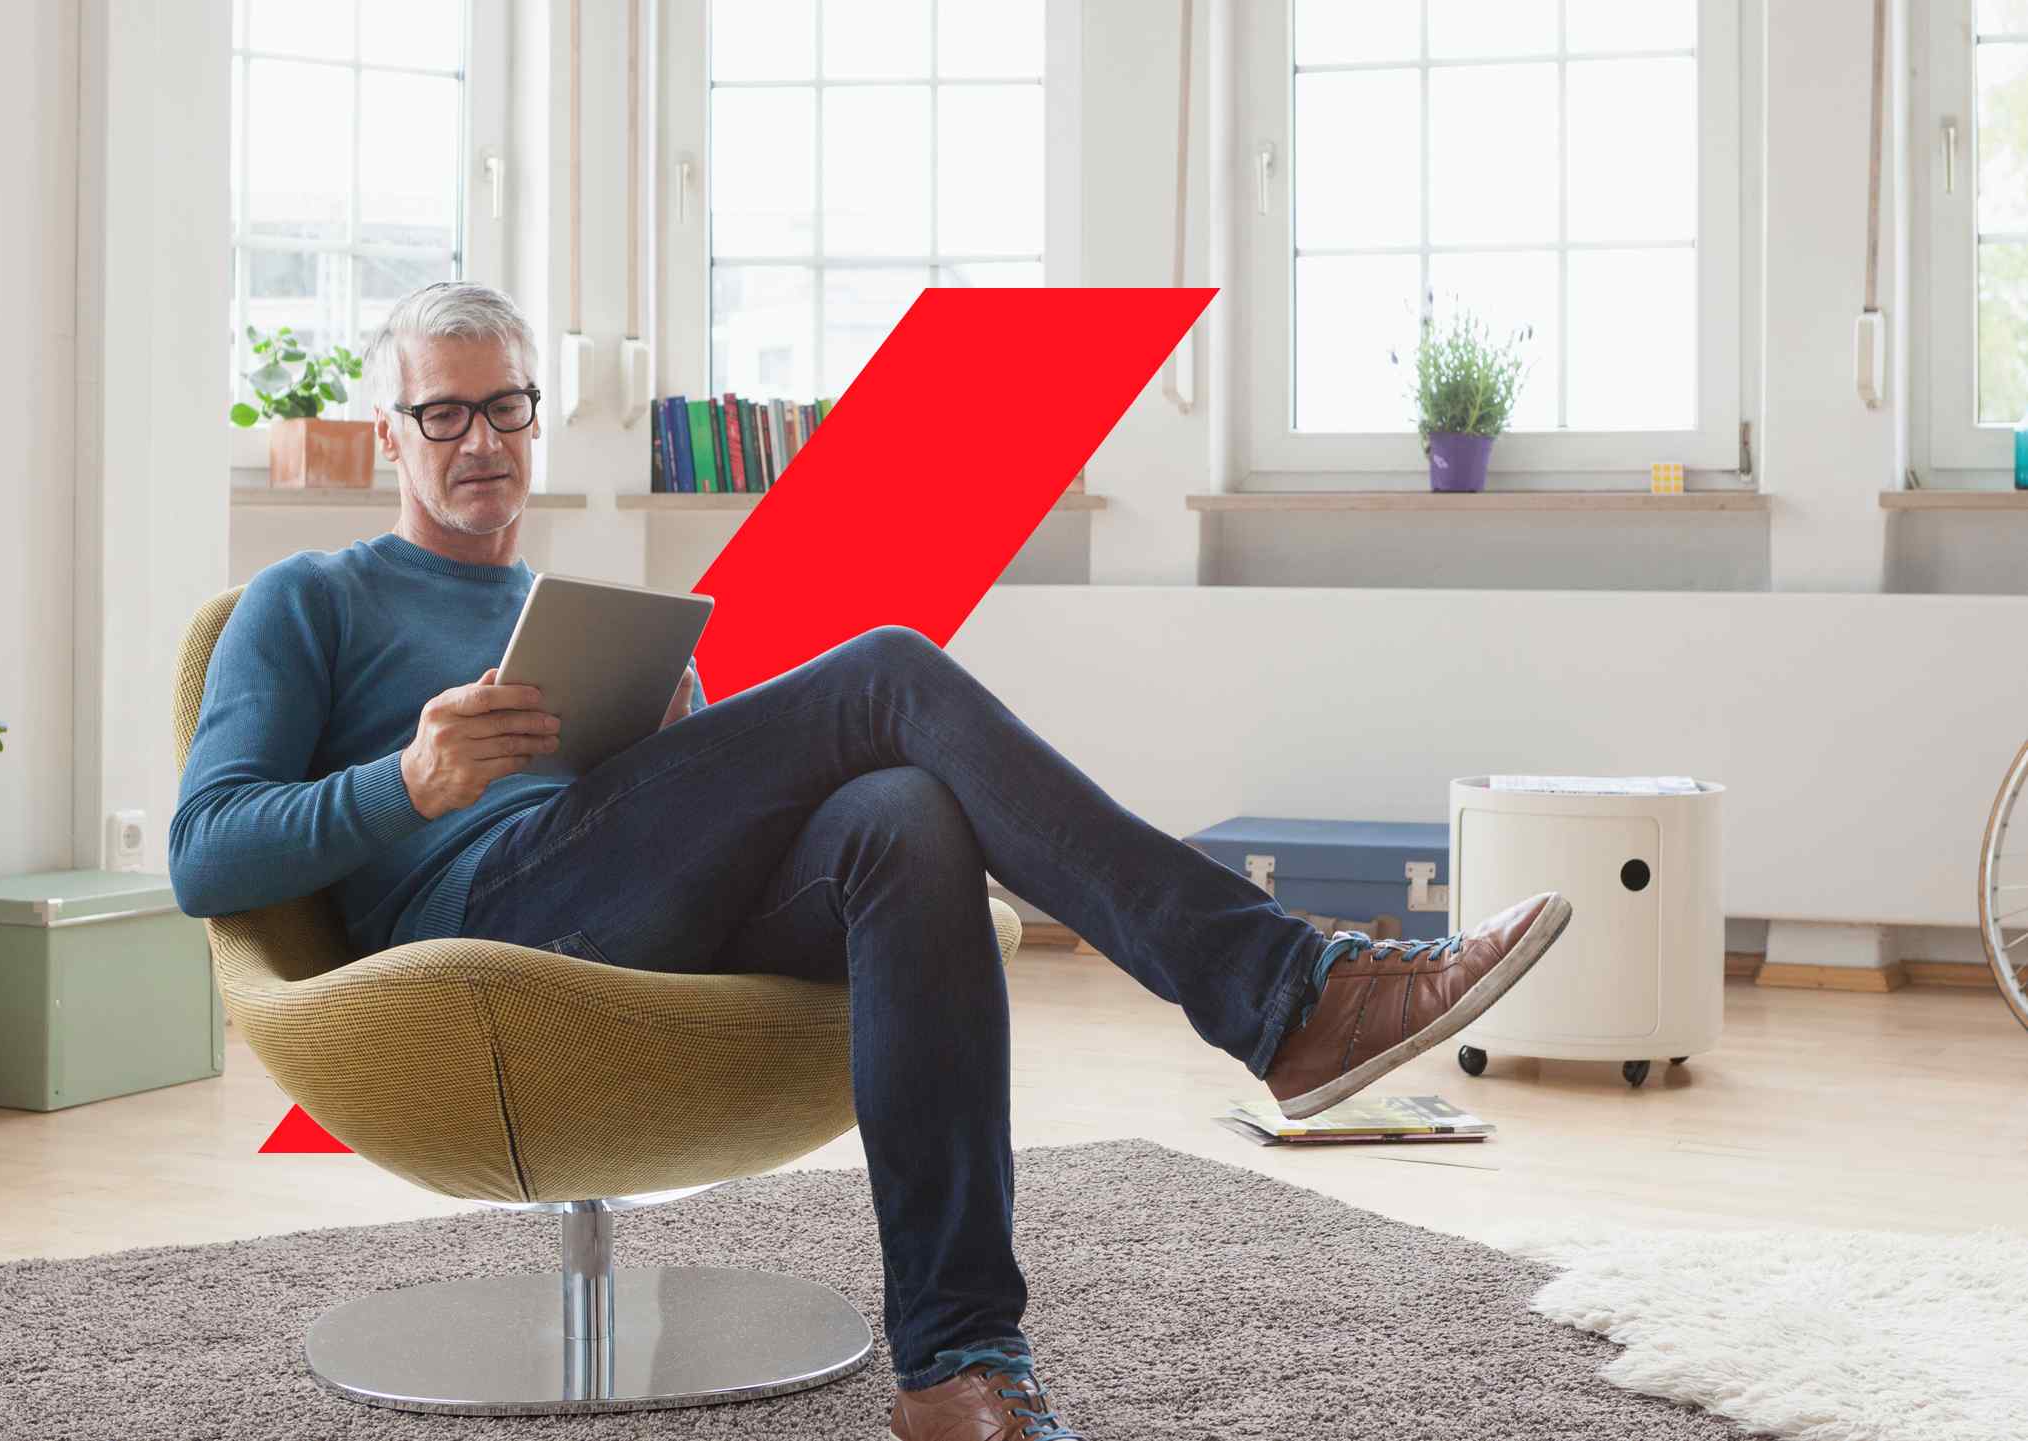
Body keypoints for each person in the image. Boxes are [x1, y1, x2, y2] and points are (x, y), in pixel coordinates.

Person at [169, 281, 1573, 1441]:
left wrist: (679, 733)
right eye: (444, 411)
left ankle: (958, 1365)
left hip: (620, 902)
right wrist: (409, 780)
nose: (481, 439)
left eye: (507, 405)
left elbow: (678, 830)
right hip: (482, 927)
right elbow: (203, 854)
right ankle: (1283, 992)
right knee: (889, 672)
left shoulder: (564, 607)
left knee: (905, 812)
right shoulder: (307, 602)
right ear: (389, 427)